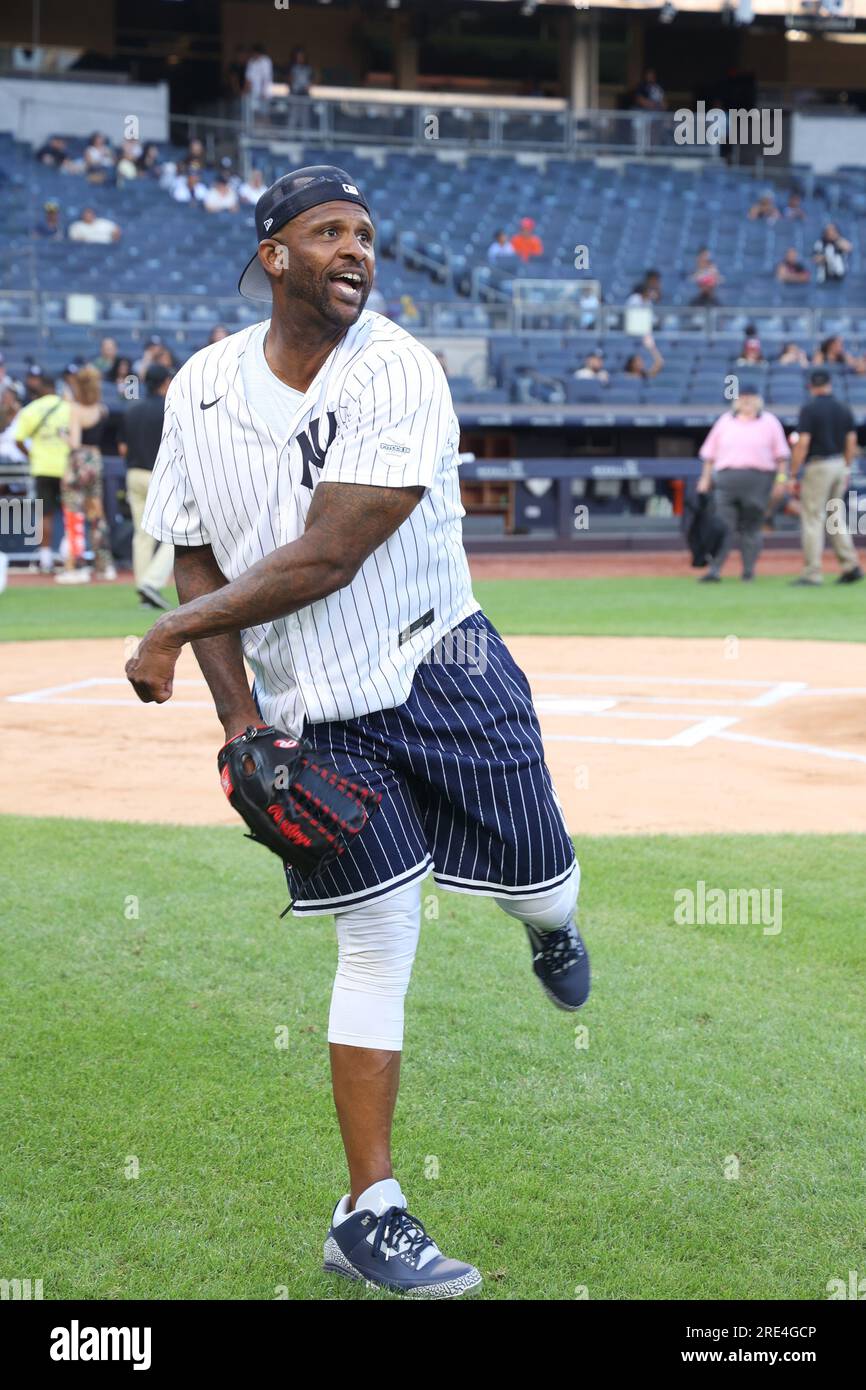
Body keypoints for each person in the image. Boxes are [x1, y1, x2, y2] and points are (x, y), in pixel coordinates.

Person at [125, 163, 589, 1298]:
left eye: (366, 234)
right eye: (327, 231)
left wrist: (176, 633)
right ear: (271, 253)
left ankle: (549, 927)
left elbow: (333, 549)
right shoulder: (200, 388)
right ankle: (367, 1209)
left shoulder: (399, 370)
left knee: (543, 877)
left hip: (445, 664)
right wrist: (239, 721)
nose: (355, 251)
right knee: (377, 932)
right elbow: (190, 541)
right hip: (309, 708)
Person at [696, 385, 790, 582]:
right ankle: (715, 570)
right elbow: (709, 455)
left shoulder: (769, 422)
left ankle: (748, 571)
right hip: (726, 481)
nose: (746, 401)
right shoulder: (725, 421)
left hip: (758, 481)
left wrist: (781, 481)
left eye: (750, 397)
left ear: (758, 400)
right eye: (743, 397)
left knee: (752, 528)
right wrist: (705, 478)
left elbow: (782, 457)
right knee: (722, 527)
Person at [789, 369, 863, 586]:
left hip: (819, 465)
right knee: (835, 517)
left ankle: (812, 573)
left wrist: (793, 474)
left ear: (811, 385)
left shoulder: (809, 409)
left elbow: (802, 443)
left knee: (813, 517)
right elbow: (851, 441)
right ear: (830, 384)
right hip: (839, 463)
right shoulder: (843, 407)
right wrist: (847, 467)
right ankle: (851, 566)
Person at [119, 363, 175, 609]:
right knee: (177, 534)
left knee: (142, 534)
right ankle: (151, 582)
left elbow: (122, 448)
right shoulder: (170, 408)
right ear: (165, 382)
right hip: (159, 474)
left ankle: (144, 587)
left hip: (133, 473)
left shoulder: (132, 409)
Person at [57, 365, 115, 584]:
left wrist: (62, 434)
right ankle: (105, 565)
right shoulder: (102, 409)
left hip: (78, 461)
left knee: (74, 513)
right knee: (96, 514)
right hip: (96, 460)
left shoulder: (76, 409)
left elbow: (74, 442)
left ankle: (77, 566)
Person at [12, 370, 71, 574]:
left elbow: (18, 440)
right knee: (70, 513)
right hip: (66, 468)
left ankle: (45, 558)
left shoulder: (31, 410)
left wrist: (32, 455)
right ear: (55, 388)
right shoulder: (68, 408)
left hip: (42, 468)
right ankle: (69, 556)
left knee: (45, 514)